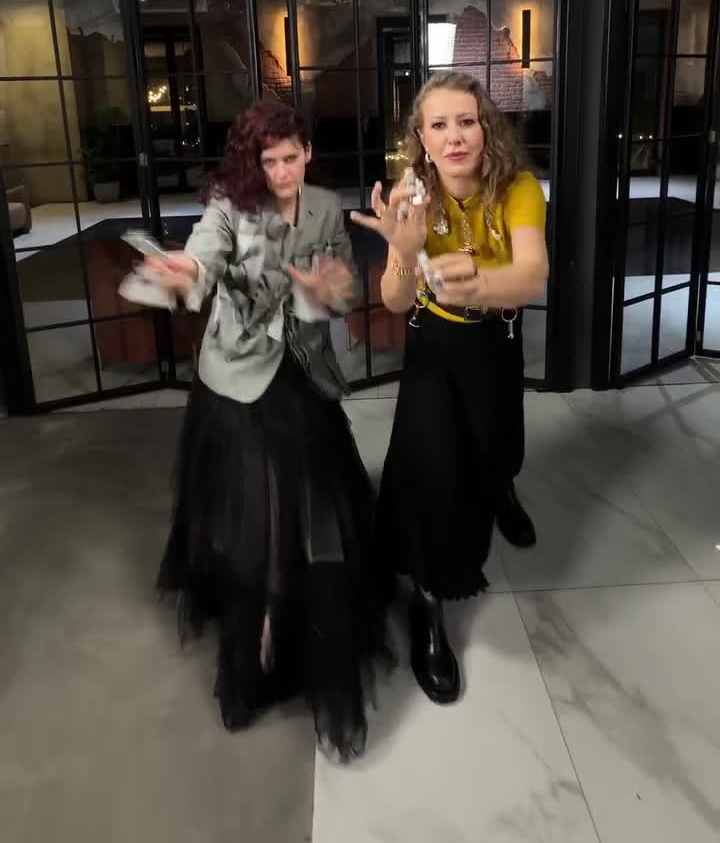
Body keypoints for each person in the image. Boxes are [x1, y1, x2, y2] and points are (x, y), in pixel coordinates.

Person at [143, 100, 391, 761]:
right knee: (253, 519)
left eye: (290, 157)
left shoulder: (326, 207)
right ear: (251, 161)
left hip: (302, 374)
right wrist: (187, 272)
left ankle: (305, 632)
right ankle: (252, 649)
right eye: (268, 160)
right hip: (237, 378)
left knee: (316, 518)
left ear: (307, 152)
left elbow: (343, 290)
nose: (281, 171)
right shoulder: (229, 205)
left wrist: (326, 289)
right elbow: (204, 255)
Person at [350, 72, 548, 705]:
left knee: (496, 443)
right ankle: (429, 606)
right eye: (439, 125)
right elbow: (394, 299)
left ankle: (502, 488)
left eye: (467, 121)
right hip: (434, 347)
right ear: (422, 138)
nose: (455, 136)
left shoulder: (517, 187)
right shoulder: (413, 193)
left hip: (496, 339)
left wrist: (478, 286)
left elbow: (532, 274)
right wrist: (407, 252)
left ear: (486, 128)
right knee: (433, 469)